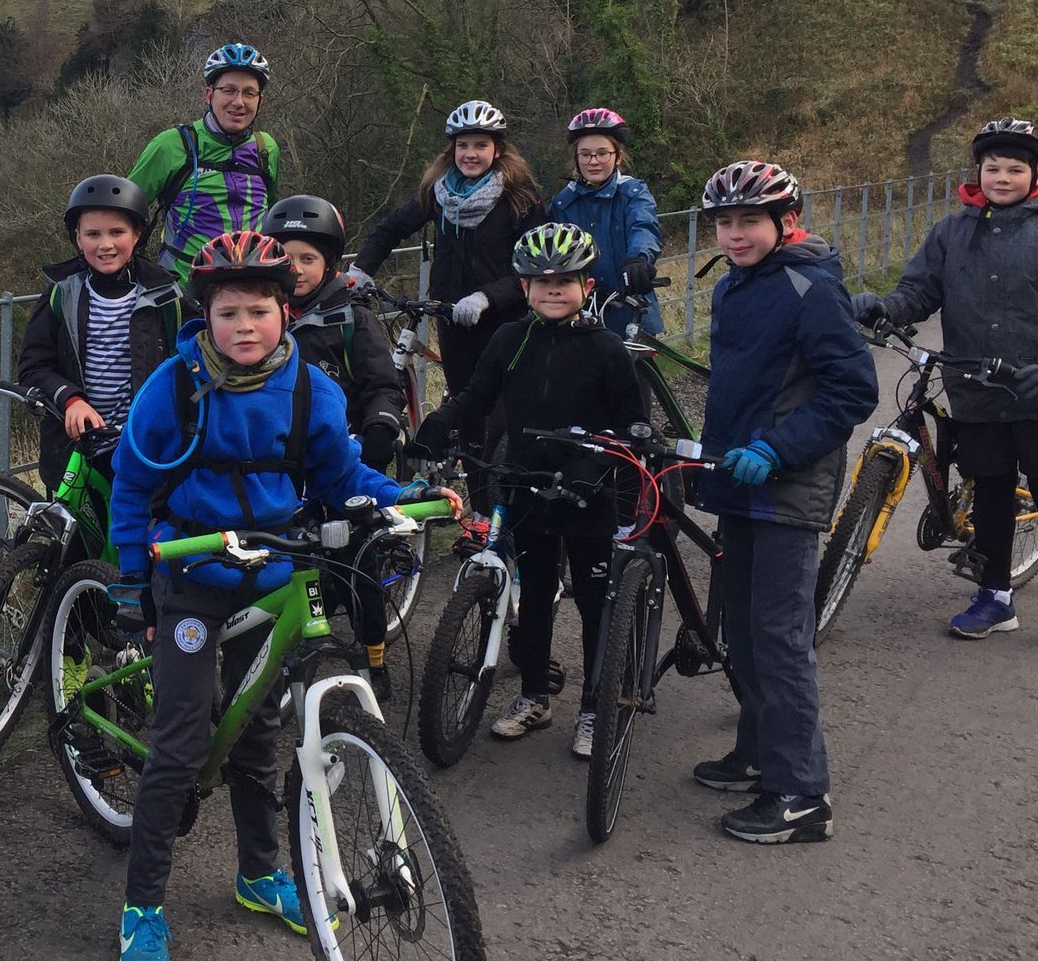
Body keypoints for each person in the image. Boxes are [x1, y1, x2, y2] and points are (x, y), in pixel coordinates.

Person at [108, 231, 439, 960]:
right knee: (182, 740)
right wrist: (134, 582)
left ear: (286, 313)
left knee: (260, 735)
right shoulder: (172, 385)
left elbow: (340, 475)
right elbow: (133, 485)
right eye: (228, 313)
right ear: (205, 317)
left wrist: (405, 499)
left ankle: (259, 873)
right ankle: (141, 906)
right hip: (194, 575)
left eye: (259, 310)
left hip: (277, 570)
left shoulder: (311, 389)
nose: (245, 326)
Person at [850, 119, 1038, 658]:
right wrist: (884, 306)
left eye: (1014, 169)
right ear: (977, 173)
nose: (1002, 178)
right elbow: (919, 291)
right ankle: (996, 596)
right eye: (992, 168)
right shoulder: (952, 231)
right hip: (974, 386)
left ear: (1037, 175)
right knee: (992, 492)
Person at [692, 161, 876, 844]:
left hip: (788, 486)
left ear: (784, 221)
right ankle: (758, 753)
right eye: (725, 223)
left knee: (778, 637)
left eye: (749, 222)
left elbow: (852, 389)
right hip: (740, 481)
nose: (734, 235)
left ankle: (801, 794)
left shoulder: (810, 286)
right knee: (739, 626)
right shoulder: (736, 285)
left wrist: (775, 449)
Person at [411, 222, 644, 759]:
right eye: (540, 282)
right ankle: (535, 694)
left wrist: (621, 487)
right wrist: (440, 422)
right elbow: (476, 395)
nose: (552, 290)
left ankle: (594, 705)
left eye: (565, 281)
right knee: (534, 597)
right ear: (523, 288)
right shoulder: (510, 339)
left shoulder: (607, 349)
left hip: (588, 492)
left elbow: (631, 426)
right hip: (525, 484)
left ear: (588, 286)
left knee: (592, 602)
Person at [260, 193, 409, 697]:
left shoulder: (350, 317)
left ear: (329, 264)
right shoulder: (258, 316)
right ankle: (284, 655)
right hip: (279, 466)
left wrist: (381, 429)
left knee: (357, 564)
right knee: (286, 563)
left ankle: (373, 655)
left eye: (308, 259)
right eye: (287, 258)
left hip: (339, 460)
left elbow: (381, 384)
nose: (297, 269)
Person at [348, 99, 545, 403]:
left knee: (499, 407)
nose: (470, 154)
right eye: (462, 145)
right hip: (451, 314)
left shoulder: (520, 198)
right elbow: (392, 228)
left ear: (498, 150)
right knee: (463, 401)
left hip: (502, 318)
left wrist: (486, 298)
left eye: (480, 145)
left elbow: (533, 268)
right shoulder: (438, 192)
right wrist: (360, 271)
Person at [18, 175, 182, 492]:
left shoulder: (167, 295)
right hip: (78, 451)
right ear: (77, 238)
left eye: (116, 232)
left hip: (147, 449)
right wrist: (70, 400)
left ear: (137, 235)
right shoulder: (61, 293)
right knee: (78, 540)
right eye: (92, 234)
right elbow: (34, 366)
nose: (104, 244)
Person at [126, 44, 282, 282]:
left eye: (249, 93)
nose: (239, 102)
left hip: (251, 286)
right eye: (228, 90)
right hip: (183, 286)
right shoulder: (172, 144)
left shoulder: (266, 148)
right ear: (209, 95)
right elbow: (124, 211)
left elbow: (271, 212)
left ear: (261, 100)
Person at [547, 107, 665, 339]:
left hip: (630, 308)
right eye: (585, 154)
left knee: (638, 374)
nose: (594, 161)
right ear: (576, 158)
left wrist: (638, 259)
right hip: (581, 314)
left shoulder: (633, 193)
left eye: (602, 153)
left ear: (617, 156)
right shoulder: (563, 203)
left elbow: (643, 226)